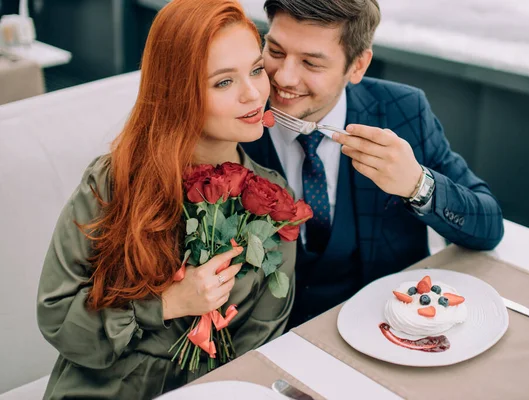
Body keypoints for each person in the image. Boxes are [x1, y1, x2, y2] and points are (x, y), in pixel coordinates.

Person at [36, 0, 295, 398]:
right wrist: (167, 303)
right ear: (178, 92)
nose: (253, 93)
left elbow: (259, 345)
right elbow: (57, 321)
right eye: (224, 82)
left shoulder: (273, 202)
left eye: (257, 70)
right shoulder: (111, 182)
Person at [242, 0, 504, 328]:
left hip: (387, 331)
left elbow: (489, 225)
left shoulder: (405, 111)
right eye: (276, 51)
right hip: (268, 340)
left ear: (358, 66)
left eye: (311, 63)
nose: (284, 77)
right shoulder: (234, 119)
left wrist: (418, 185)